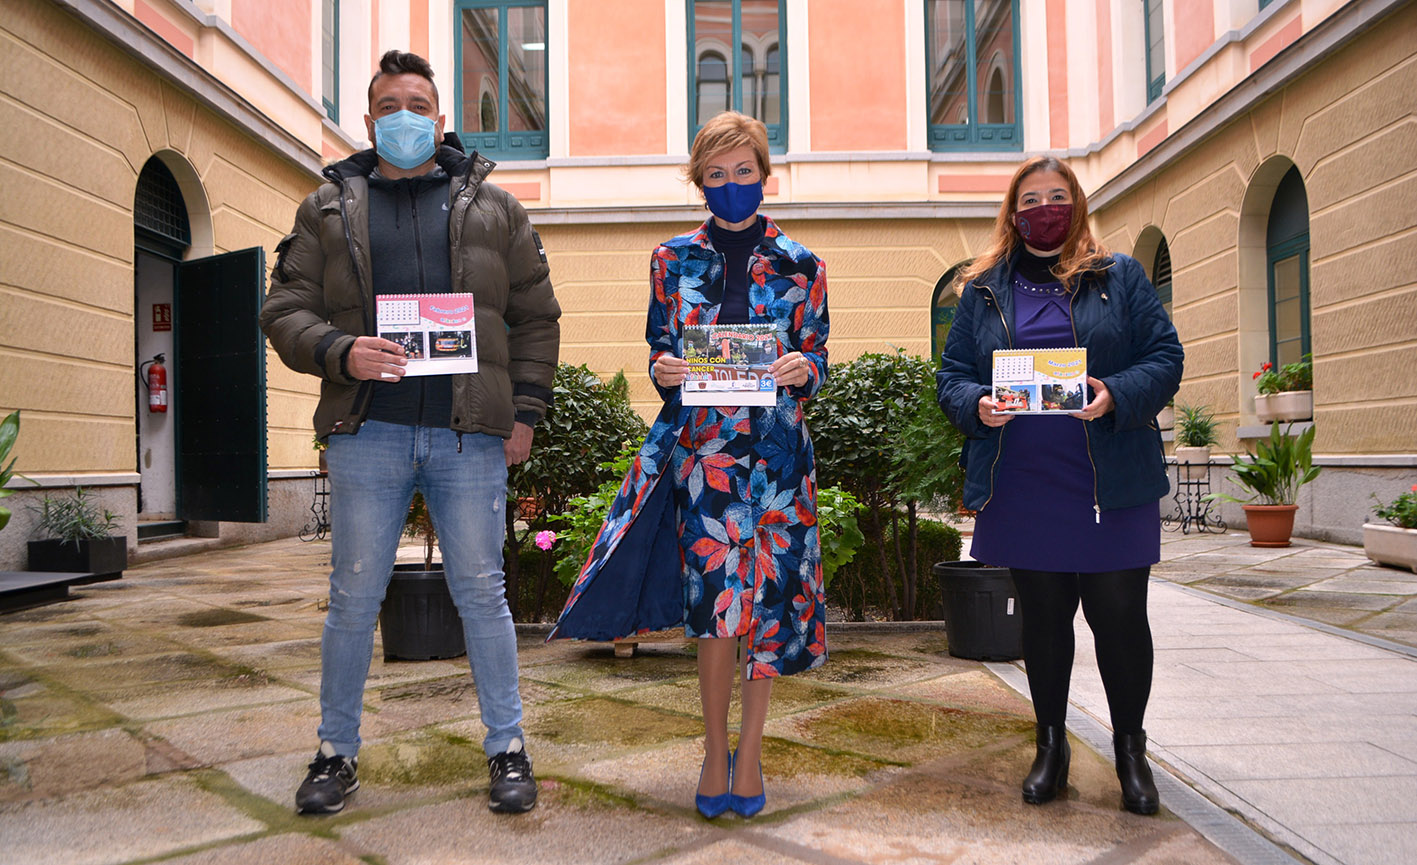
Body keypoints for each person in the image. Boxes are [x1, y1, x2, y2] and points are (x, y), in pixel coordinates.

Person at [260, 50, 559, 816]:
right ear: (368, 121)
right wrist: (340, 350)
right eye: (389, 105)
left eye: (417, 104)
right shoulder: (326, 207)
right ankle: (334, 753)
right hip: (369, 433)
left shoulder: (497, 207)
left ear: (440, 117)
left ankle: (508, 748)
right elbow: (284, 307)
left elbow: (534, 318)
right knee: (352, 599)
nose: (403, 117)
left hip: (470, 437)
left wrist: (523, 414)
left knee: (482, 595)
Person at [548, 111, 829, 820]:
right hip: (702, 458)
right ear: (698, 180)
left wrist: (803, 368)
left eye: (743, 171)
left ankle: (753, 749)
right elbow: (658, 351)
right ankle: (712, 748)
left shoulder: (803, 264)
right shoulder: (670, 259)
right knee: (714, 610)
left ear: (765, 174)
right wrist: (665, 366)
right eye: (716, 173)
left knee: (766, 606)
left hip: (777, 459)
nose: (731, 183)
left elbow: (818, 355)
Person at [936, 155, 1183, 815]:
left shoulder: (1120, 276)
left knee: (1119, 618)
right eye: (1029, 199)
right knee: (1043, 620)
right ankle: (1051, 745)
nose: (1042, 208)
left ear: (1074, 203)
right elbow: (953, 373)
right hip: (1022, 481)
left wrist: (1115, 392)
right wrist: (975, 403)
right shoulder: (985, 286)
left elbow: (1165, 357)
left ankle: (1130, 750)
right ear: (1012, 213)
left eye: (1055, 195)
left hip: (1110, 480)